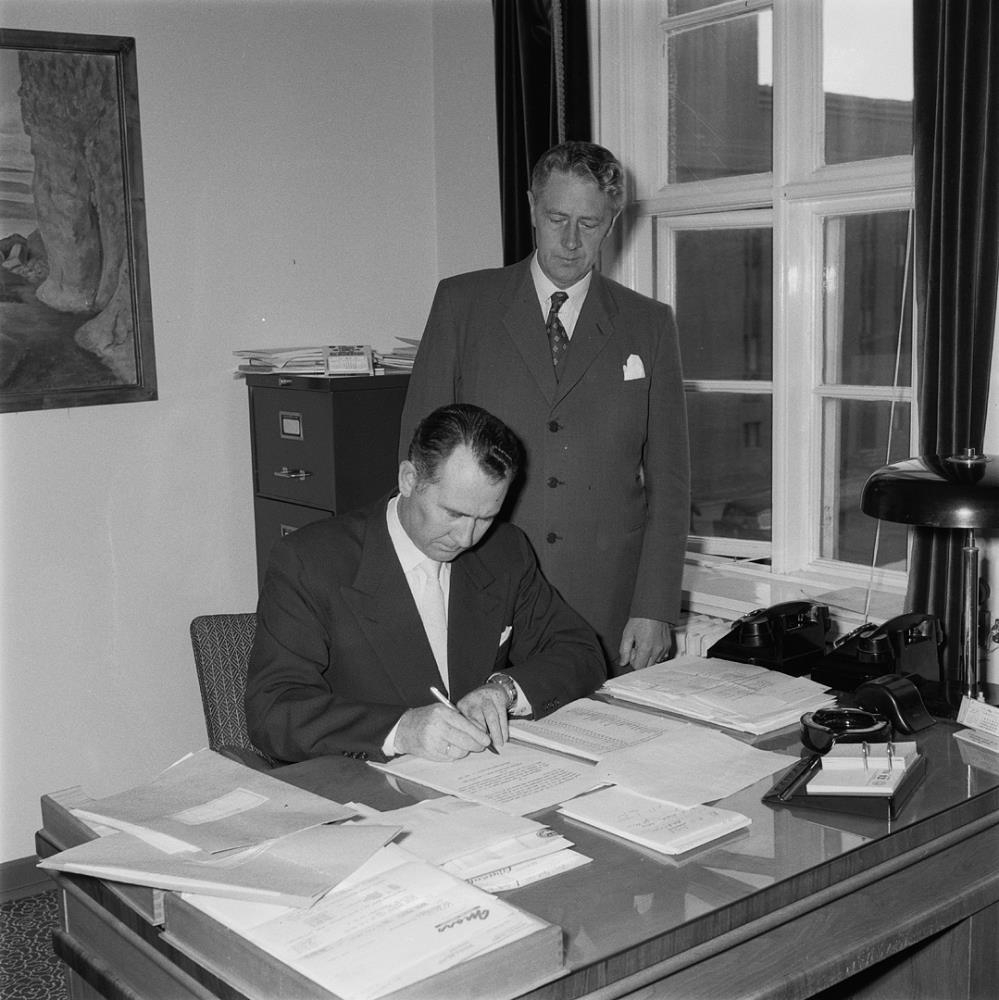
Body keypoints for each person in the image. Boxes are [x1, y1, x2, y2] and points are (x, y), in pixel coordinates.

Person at [399, 141, 690, 673]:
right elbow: (418, 461)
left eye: (589, 223)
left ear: (611, 222)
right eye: (557, 218)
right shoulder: (463, 305)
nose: (571, 241)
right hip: (479, 584)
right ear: (532, 207)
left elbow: (670, 483)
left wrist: (654, 607)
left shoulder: (648, 324)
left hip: (603, 600)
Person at [245, 403, 606, 764]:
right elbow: (272, 710)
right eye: (453, 513)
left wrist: (504, 690)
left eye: (485, 518)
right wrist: (401, 730)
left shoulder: (505, 550)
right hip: (363, 778)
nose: (466, 538)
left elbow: (581, 652)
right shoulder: (310, 561)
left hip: (479, 778)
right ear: (409, 479)